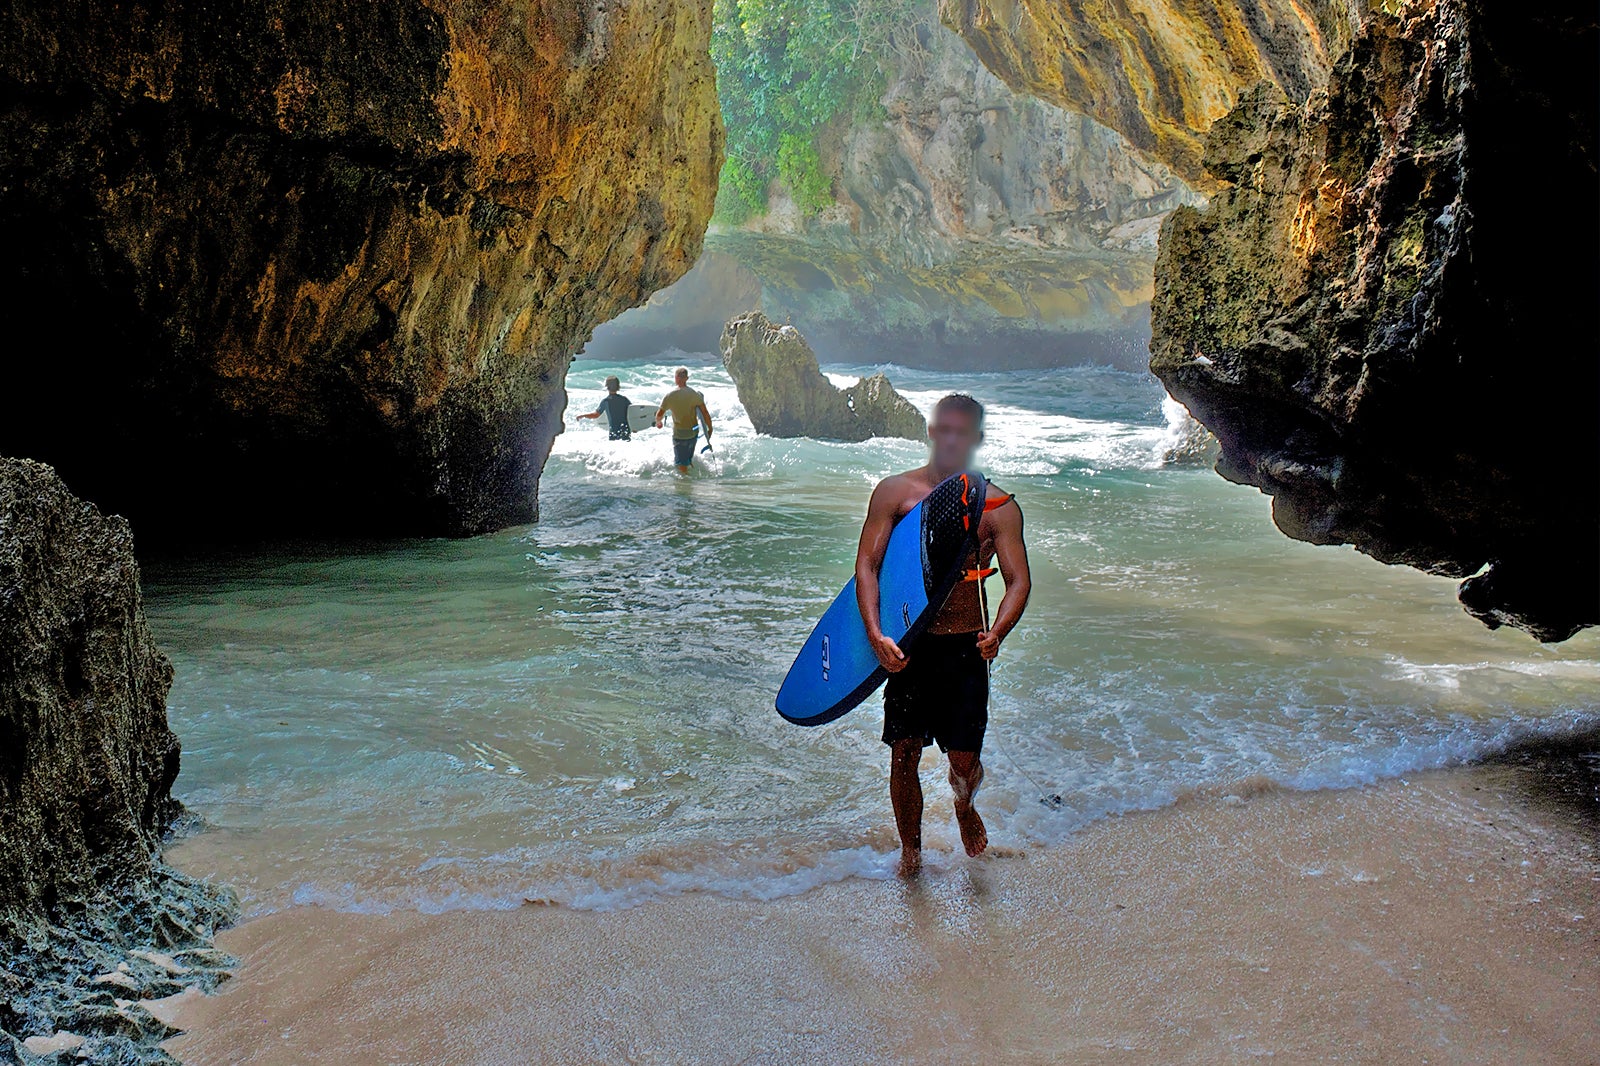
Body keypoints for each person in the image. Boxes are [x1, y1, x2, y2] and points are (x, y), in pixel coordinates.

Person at [854, 393, 1030, 877]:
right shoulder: (895, 493)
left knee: (963, 760)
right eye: (943, 429)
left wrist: (999, 632)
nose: (951, 438)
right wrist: (875, 634)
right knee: (904, 750)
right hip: (909, 645)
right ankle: (911, 854)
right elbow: (867, 567)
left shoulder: (998, 507)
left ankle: (963, 805)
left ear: (975, 438)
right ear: (931, 431)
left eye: (962, 431)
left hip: (967, 646)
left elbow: (1019, 581)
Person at [654, 366, 713, 473]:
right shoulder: (694, 394)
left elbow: (659, 414)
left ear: (676, 378)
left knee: (681, 464)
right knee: (688, 459)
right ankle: (691, 477)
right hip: (693, 433)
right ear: (687, 378)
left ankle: (685, 485)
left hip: (679, 435)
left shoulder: (670, 396)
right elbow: (705, 413)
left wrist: (659, 423)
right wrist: (710, 428)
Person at [576, 376, 633, 440]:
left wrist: (583, 416)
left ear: (607, 386)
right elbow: (632, 412)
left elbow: (595, 415)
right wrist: (636, 427)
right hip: (625, 431)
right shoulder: (624, 400)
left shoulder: (606, 401)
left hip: (614, 432)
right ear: (618, 386)